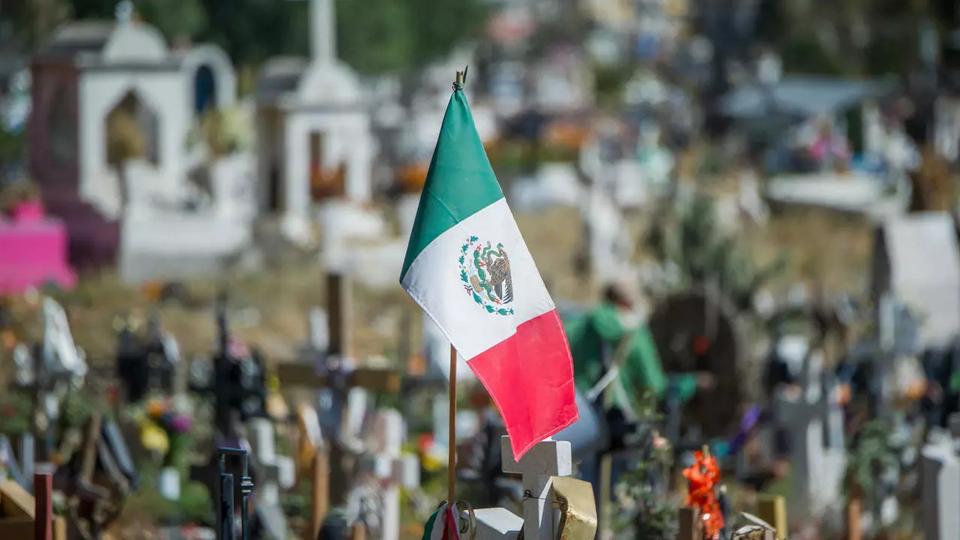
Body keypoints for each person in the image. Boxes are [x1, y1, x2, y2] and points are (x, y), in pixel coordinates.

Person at [565, 283, 711, 422]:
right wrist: (691, 383)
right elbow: (654, 387)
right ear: (628, 303)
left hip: (575, 413)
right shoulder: (636, 334)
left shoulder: (578, 325)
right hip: (612, 420)